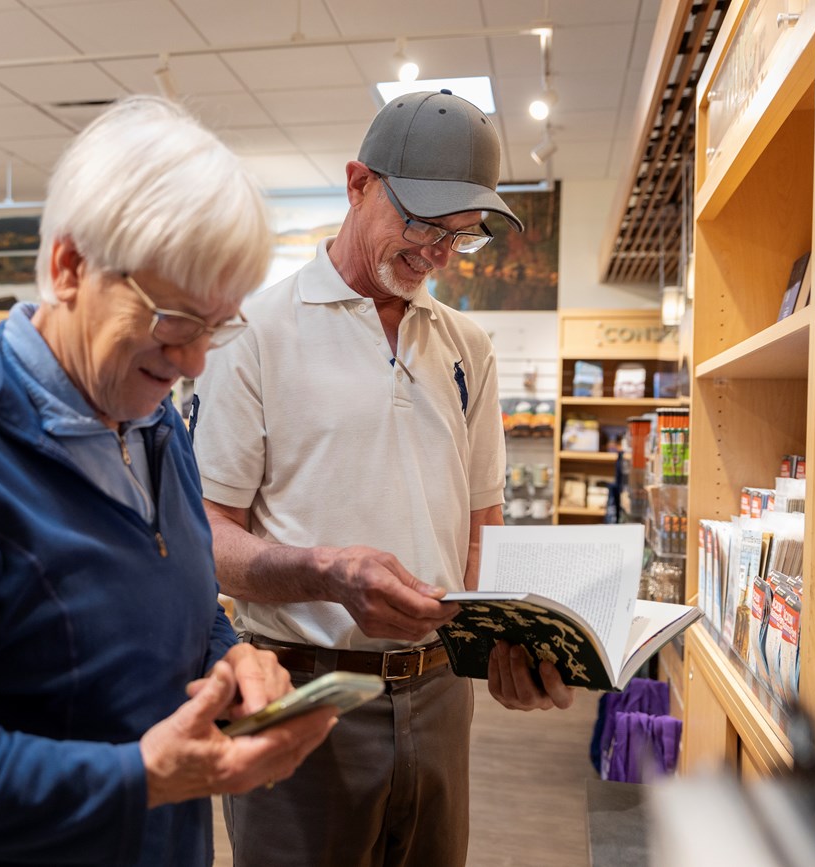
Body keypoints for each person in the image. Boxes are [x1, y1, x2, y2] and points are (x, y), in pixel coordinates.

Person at [0, 96, 337, 867]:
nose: (195, 361)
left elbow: (169, 606)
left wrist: (229, 658)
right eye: (174, 319)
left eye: (218, 326)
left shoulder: (153, 424)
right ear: (68, 266)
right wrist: (131, 778)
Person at [191, 89, 575, 867]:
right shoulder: (252, 334)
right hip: (300, 690)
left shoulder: (468, 346)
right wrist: (327, 573)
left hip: (441, 694)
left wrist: (506, 644)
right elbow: (208, 536)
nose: (437, 254)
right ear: (357, 182)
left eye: (459, 237)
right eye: (423, 224)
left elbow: (481, 523)